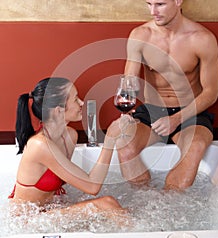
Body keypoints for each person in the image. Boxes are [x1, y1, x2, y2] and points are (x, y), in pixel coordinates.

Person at [116, 0, 218, 190]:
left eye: (160, 5)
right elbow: (129, 83)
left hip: (190, 112)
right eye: (149, 4)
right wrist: (127, 105)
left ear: (178, 0)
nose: (153, 11)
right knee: (124, 144)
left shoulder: (202, 39)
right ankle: (147, 201)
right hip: (153, 112)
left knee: (195, 148)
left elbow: (211, 92)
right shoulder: (140, 35)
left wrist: (176, 119)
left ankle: (169, 204)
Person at [9, 77, 129, 216]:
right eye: (75, 99)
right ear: (58, 110)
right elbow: (92, 187)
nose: (82, 103)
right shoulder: (40, 145)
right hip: (28, 219)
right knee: (107, 204)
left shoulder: (70, 135)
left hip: (49, 211)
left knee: (114, 206)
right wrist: (110, 140)